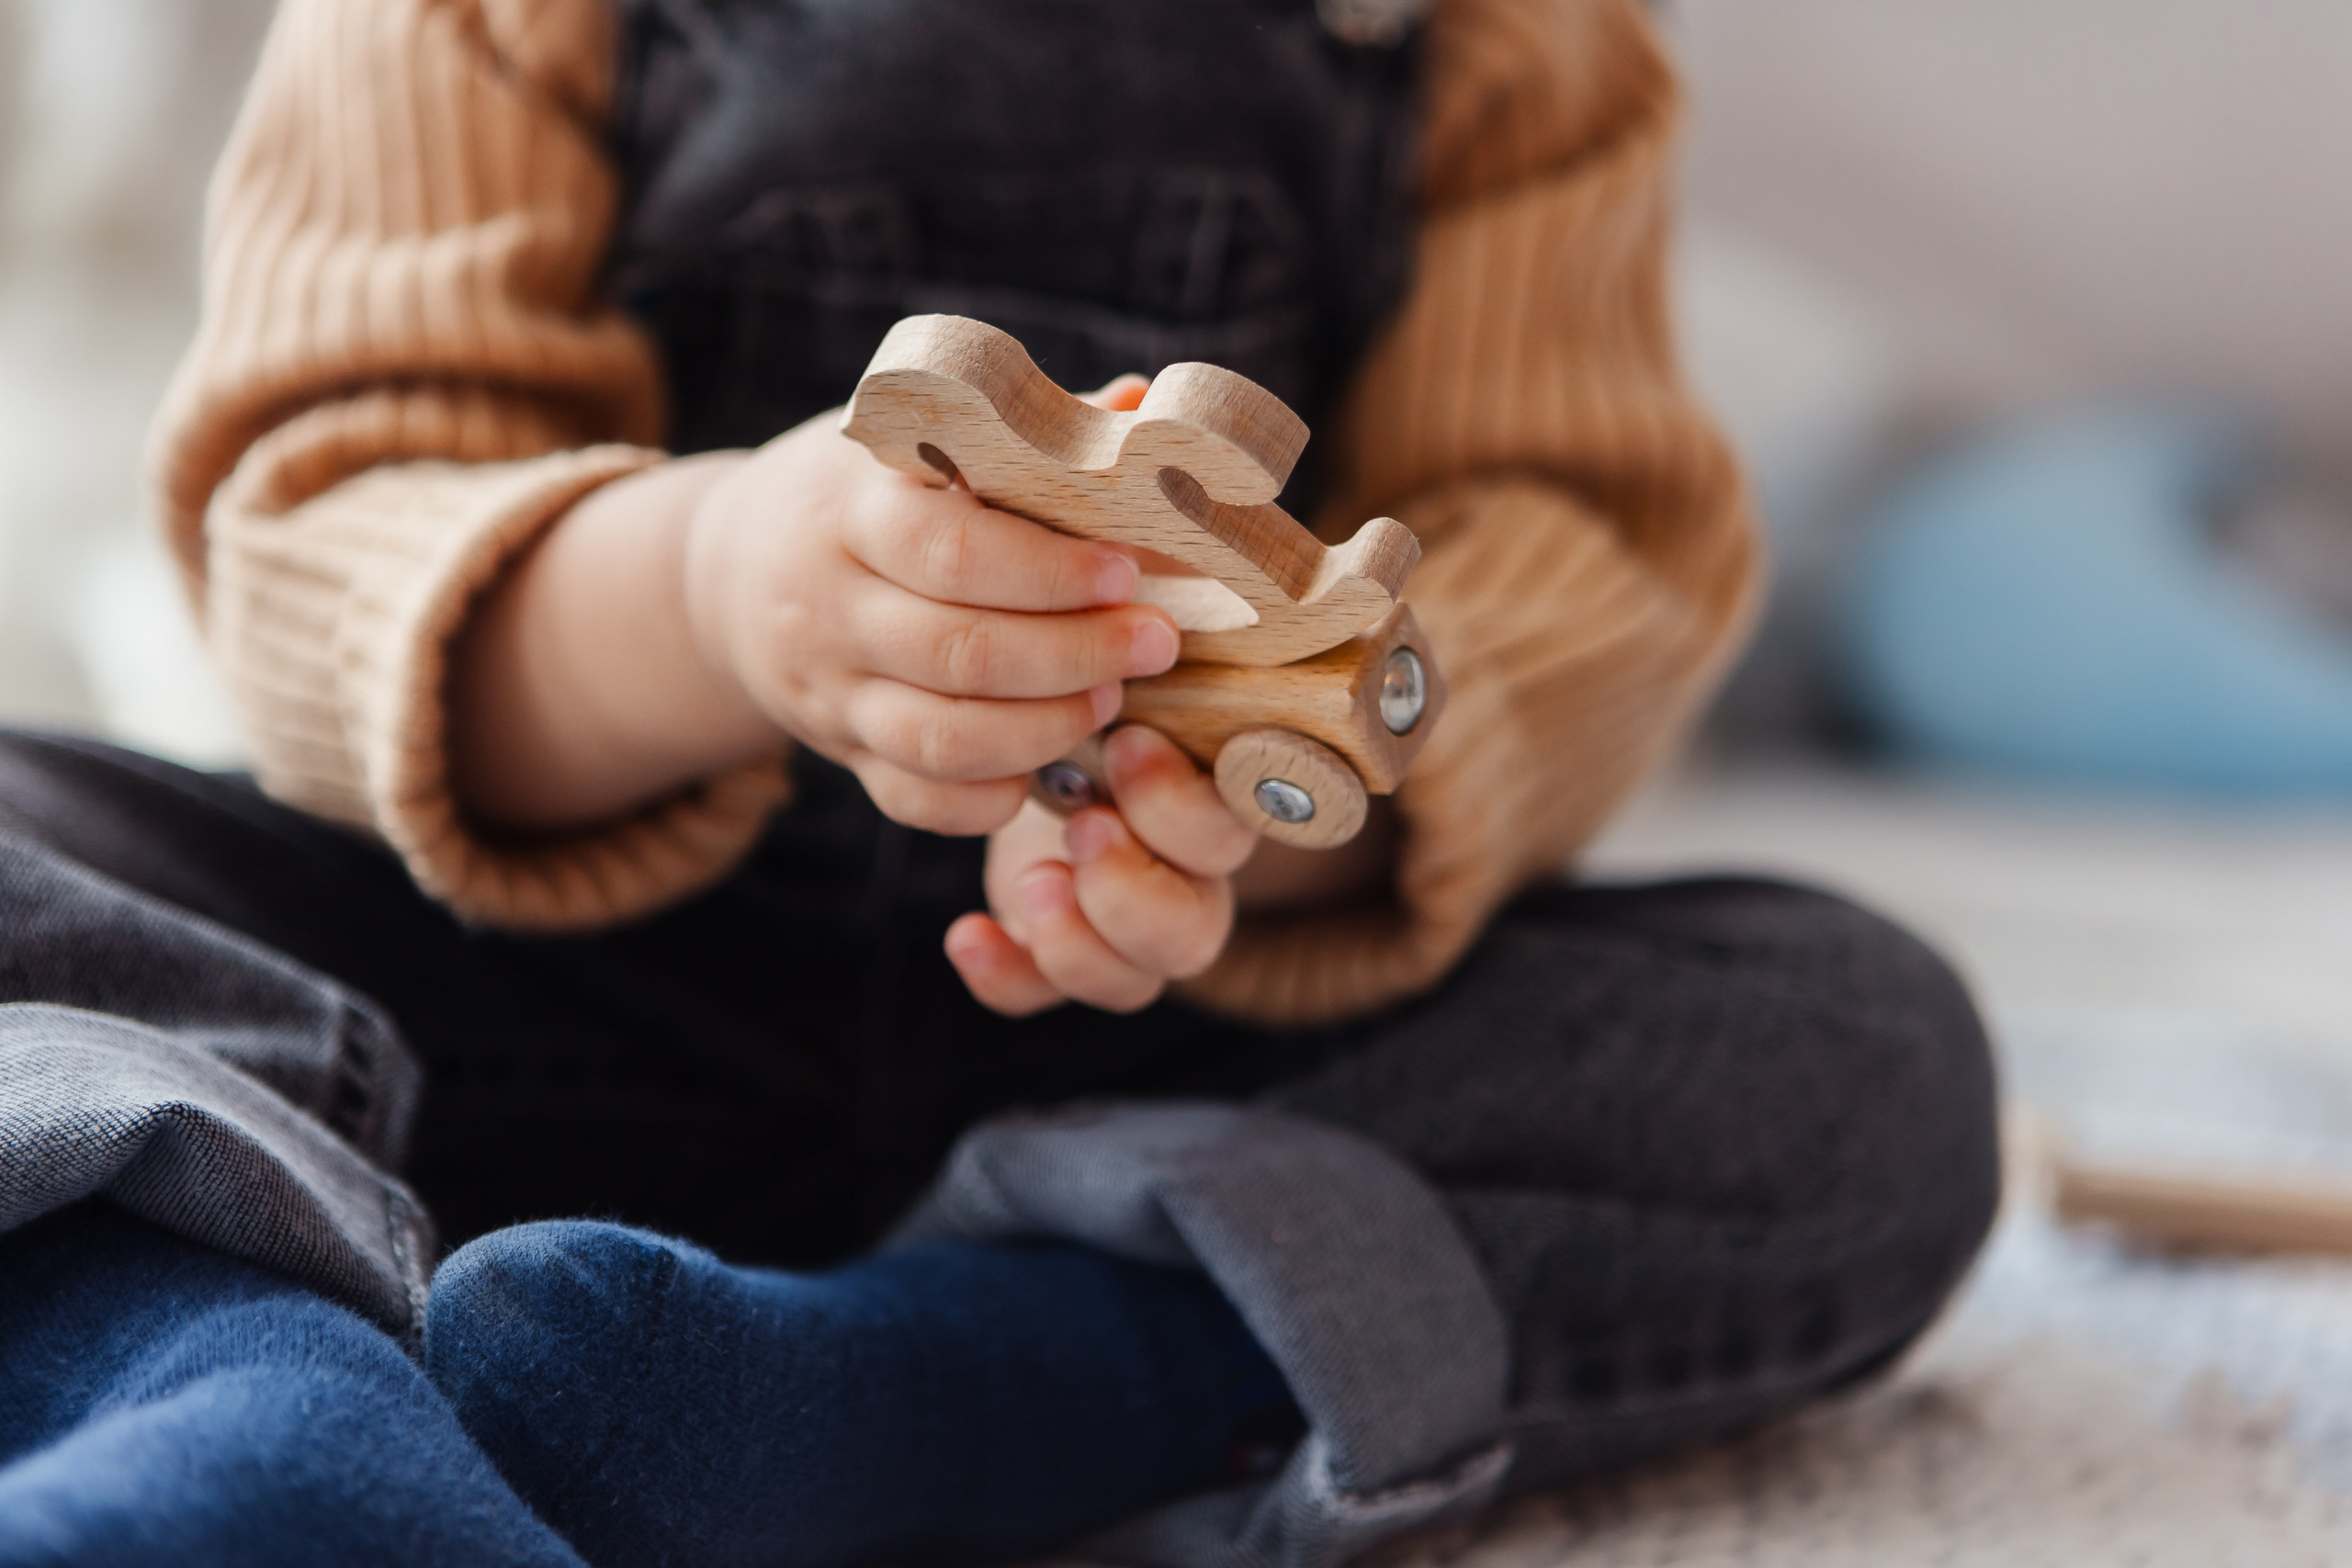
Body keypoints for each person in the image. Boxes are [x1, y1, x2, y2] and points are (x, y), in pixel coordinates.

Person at [0, 0, 2001, 1563]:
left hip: (1175, 1067)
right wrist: (708, 593)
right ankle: (243, 1390)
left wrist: (1233, 806)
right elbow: (326, 529)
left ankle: (907, 1393)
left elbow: (1567, 561)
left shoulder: (1498, 37)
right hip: (532, 1005)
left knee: (1854, 1058)